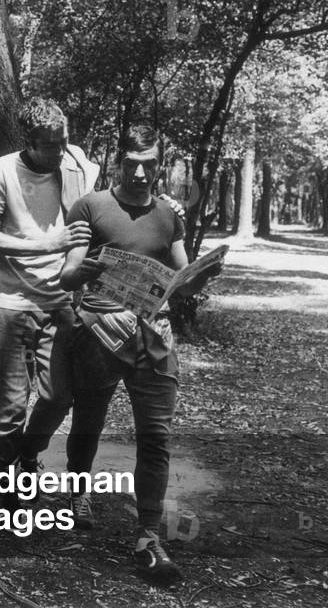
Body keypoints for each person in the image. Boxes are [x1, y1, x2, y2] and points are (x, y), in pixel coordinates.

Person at [59, 124, 220, 585]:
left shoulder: (169, 215)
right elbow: (68, 276)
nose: (139, 173)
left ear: (159, 163)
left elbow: (180, 277)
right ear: (117, 161)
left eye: (149, 164)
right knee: (88, 417)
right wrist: (83, 269)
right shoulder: (91, 206)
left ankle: (148, 533)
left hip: (153, 333)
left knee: (156, 434)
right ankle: (77, 491)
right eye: (131, 163)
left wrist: (202, 276)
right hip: (101, 329)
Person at [0, 97, 100, 512]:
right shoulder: (3, 170)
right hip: (11, 302)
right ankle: (7, 481)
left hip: (62, 300)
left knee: (58, 396)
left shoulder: (76, 164)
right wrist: (44, 243)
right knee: (11, 404)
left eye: (64, 141)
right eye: (49, 145)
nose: (59, 151)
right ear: (28, 142)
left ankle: (27, 455)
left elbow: (102, 210)